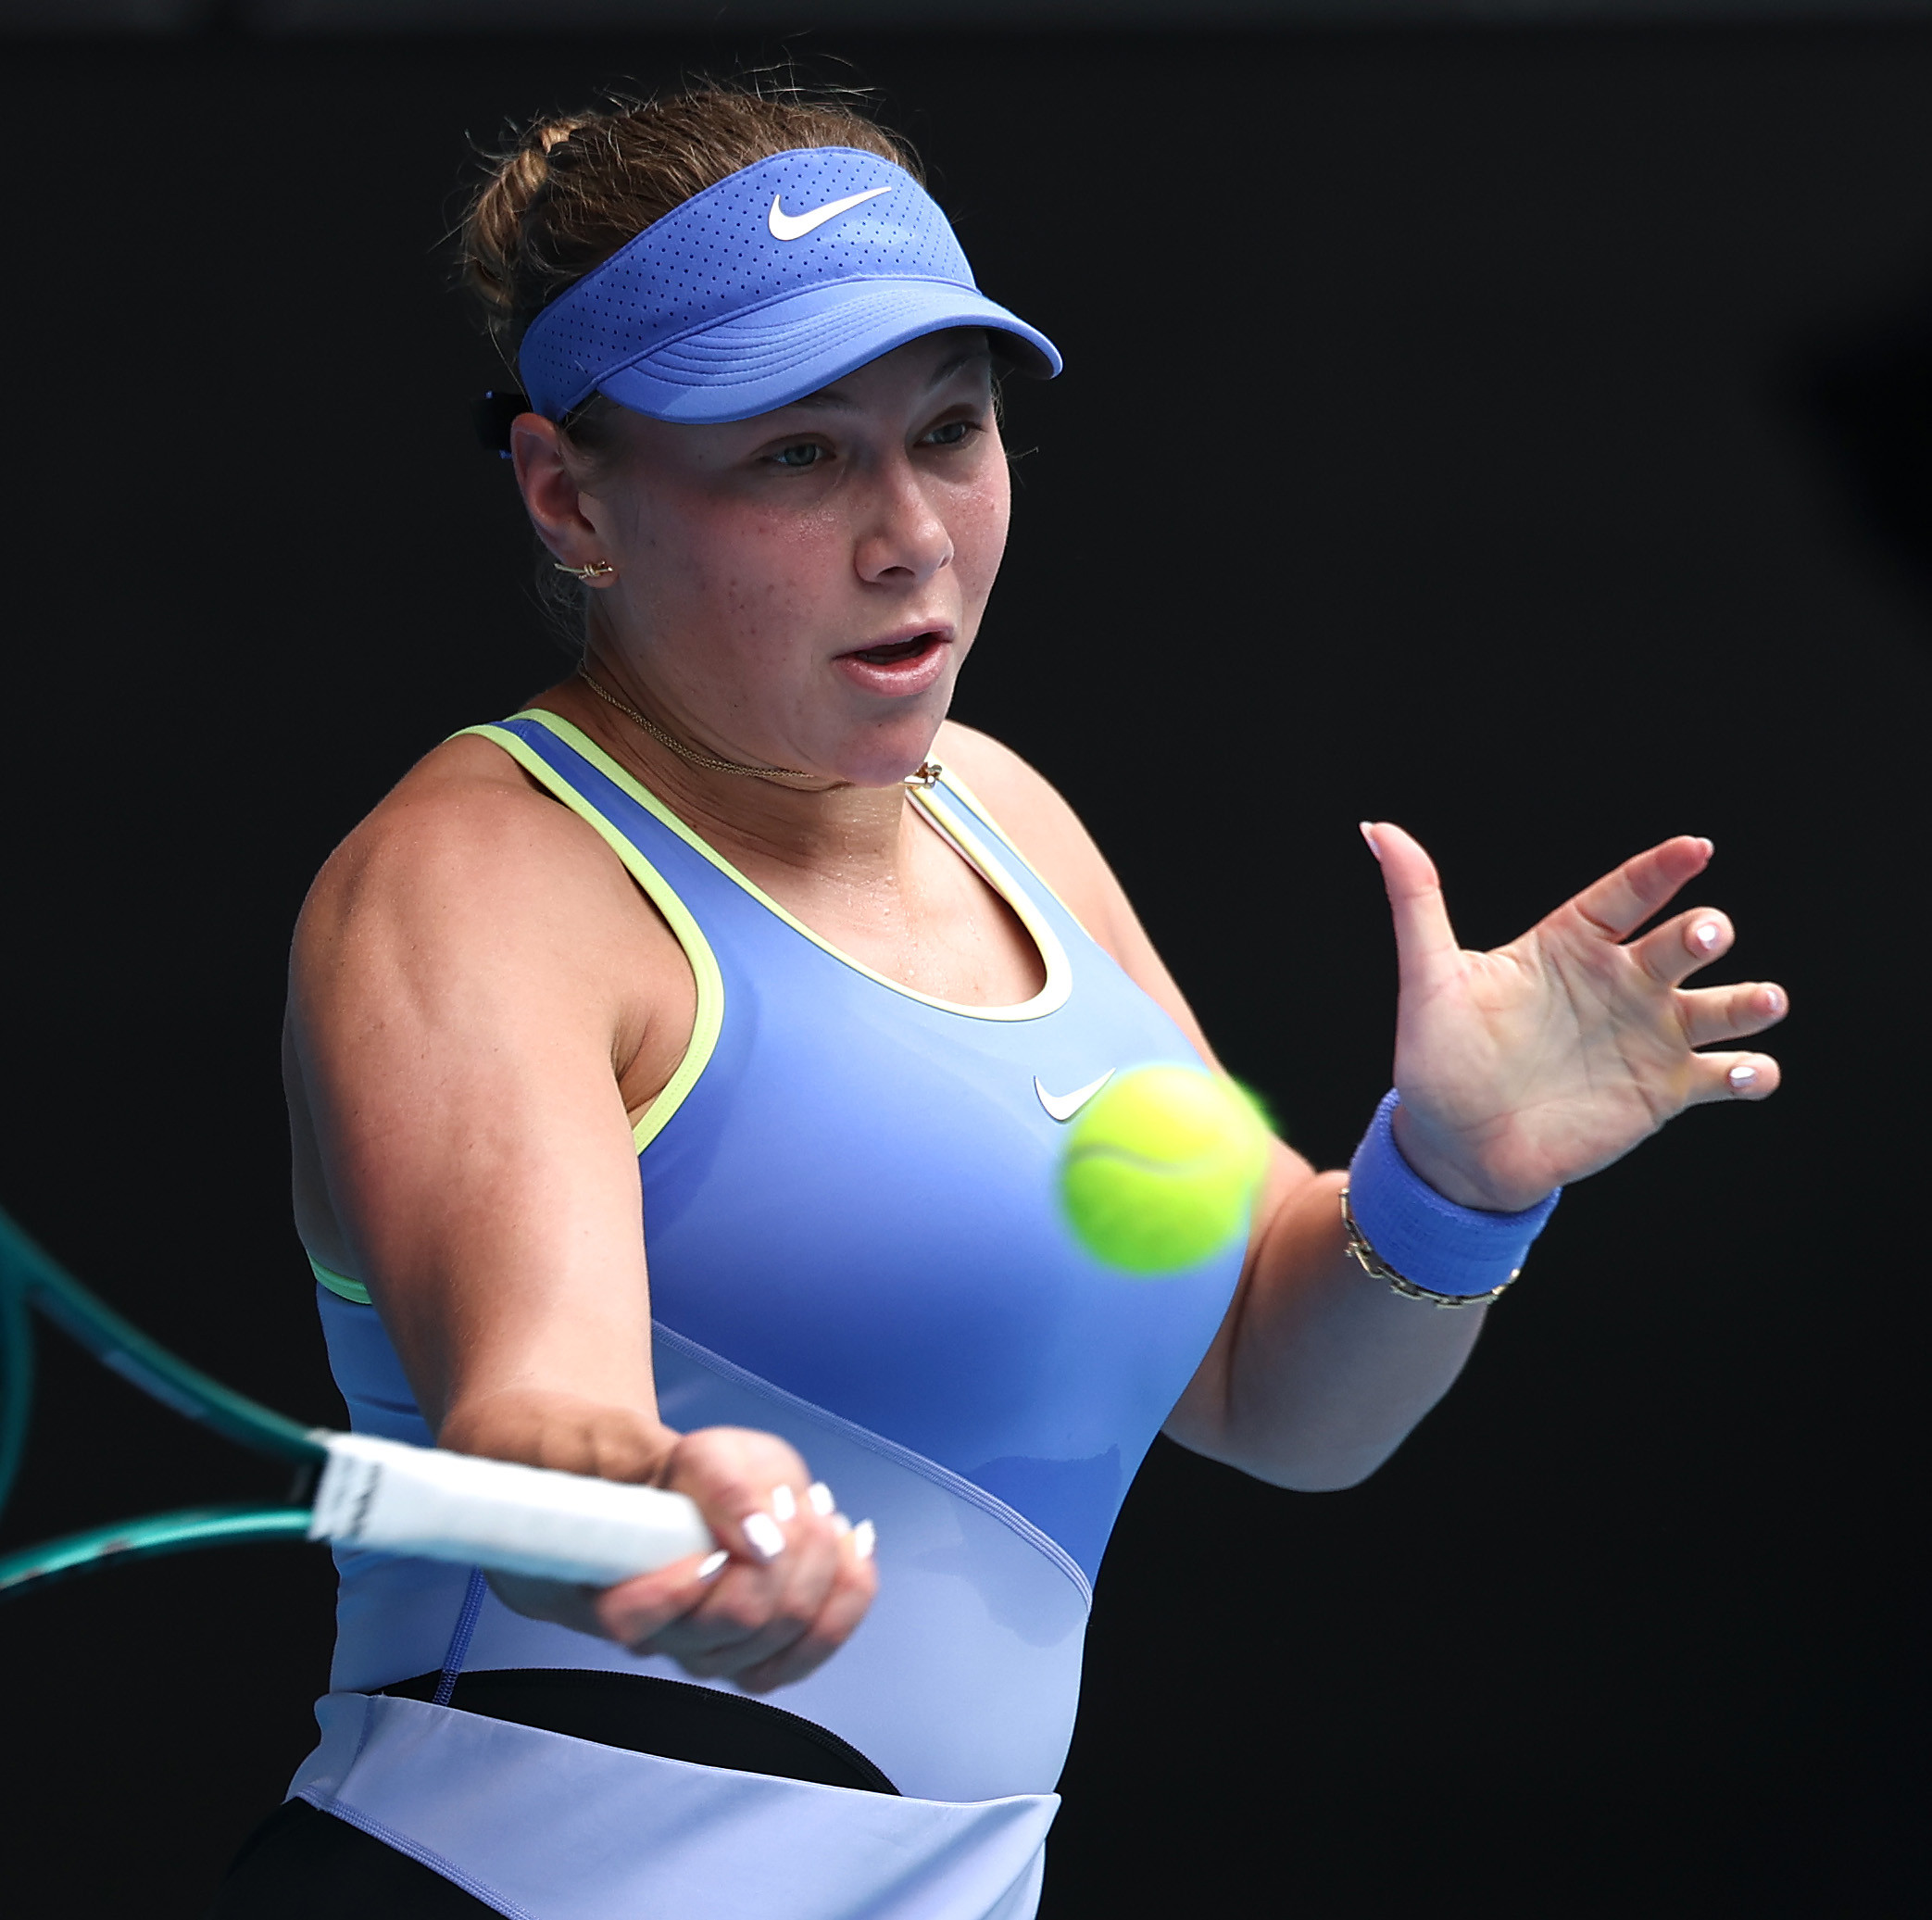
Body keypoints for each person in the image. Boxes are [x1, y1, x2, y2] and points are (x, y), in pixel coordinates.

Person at [211, 82, 1786, 1920]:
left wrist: (1449, 1179)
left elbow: (1272, 1391)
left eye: (948, 431)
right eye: (798, 456)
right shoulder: (479, 882)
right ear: (570, 495)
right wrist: (651, 1490)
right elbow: (528, 1414)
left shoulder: (1000, 811)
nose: (911, 535)